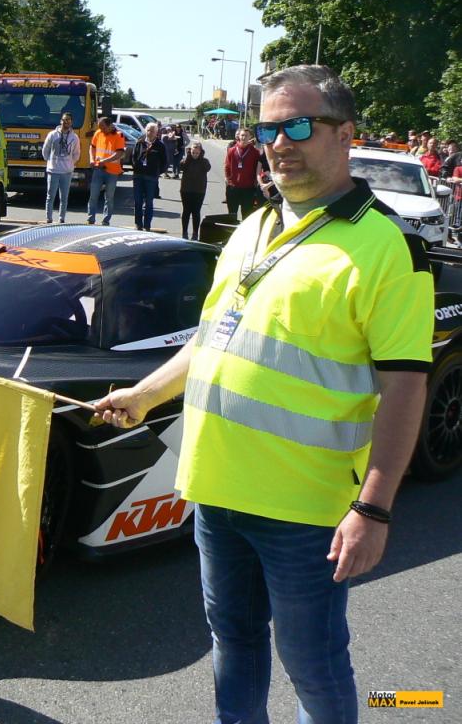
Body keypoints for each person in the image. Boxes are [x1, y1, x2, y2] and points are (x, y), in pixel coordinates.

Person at [95, 64, 433, 724]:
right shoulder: (253, 226)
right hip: (217, 488)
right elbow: (213, 339)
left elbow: (404, 386)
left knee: (313, 666)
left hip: (305, 509)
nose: (279, 143)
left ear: (345, 135)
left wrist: (374, 508)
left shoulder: (386, 246)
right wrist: (145, 393)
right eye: (268, 128)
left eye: (299, 127)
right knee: (234, 642)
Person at [41, 112, 80, 223]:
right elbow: (45, 150)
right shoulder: (52, 135)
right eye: (64, 120)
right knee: (50, 196)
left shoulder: (74, 137)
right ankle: (49, 218)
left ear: (71, 122)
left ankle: (61, 218)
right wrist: (50, 162)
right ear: (60, 121)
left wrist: (70, 163)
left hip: (66, 172)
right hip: (53, 170)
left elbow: (76, 153)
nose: (66, 122)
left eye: (68, 120)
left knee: (64, 197)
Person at [87, 117, 125, 225]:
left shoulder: (119, 135)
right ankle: (90, 219)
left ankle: (106, 220)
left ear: (110, 125)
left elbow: (119, 153)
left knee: (109, 197)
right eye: (100, 127)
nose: (101, 129)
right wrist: (91, 159)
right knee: (93, 195)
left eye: (103, 127)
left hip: (112, 172)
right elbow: (92, 147)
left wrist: (105, 161)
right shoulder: (98, 133)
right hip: (98, 169)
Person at [130, 122, 167, 231]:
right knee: (138, 201)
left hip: (151, 177)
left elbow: (164, 162)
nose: (150, 133)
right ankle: (138, 224)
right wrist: (136, 167)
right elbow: (133, 157)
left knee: (149, 202)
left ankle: (147, 225)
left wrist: (157, 172)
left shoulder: (160, 145)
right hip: (138, 176)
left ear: (156, 133)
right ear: (145, 131)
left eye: (152, 131)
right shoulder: (140, 142)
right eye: (148, 130)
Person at [224, 127, 262, 220]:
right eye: (242, 135)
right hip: (233, 187)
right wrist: (227, 178)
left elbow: (258, 168)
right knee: (232, 215)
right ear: (239, 136)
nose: (244, 137)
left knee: (246, 215)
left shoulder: (255, 152)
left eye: (246, 136)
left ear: (250, 137)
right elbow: (226, 166)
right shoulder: (232, 150)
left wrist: (256, 181)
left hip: (248, 188)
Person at [178, 141, 211, 239]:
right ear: (190, 151)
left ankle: (195, 233)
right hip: (186, 189)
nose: (195, 155)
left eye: (197, 153)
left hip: (199, 190)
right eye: (193, 152)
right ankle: (184, 232)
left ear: (200, 152)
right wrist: (188, 156)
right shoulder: (186, 160)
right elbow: (182, 166)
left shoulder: (204, 161)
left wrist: (200, 157)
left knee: (196, 211)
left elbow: (207, 168)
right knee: (186, 211)